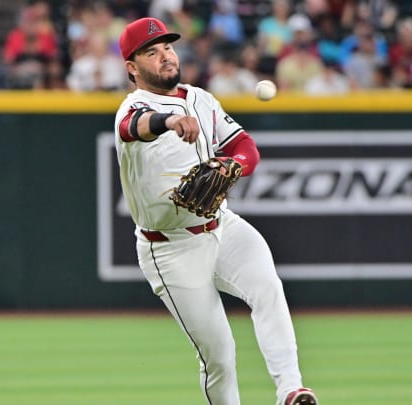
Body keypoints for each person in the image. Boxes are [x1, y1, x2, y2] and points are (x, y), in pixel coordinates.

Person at [113, 17, 318, 405]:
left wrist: (235, 165)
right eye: (151, 52)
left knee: (267, 287)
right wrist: (169, 120)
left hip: (221, 226)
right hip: (169, 249)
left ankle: (291, 390)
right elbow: (133, 127)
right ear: (132, 67)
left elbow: (246, 146)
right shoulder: (134, 106)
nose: (165, 56)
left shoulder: (200, 98)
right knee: (220, 357)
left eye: (168, 48)